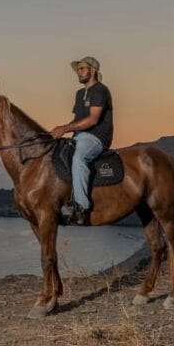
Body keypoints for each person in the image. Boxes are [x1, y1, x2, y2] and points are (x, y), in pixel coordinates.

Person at [50, 56, 114, 226]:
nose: (78, 72)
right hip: (78, 136)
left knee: (79, 159)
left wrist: (64, 129)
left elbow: (93, 119)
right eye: (78, 69)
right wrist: (60, 130)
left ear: (92, 71)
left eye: (82, 69)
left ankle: (81, 208)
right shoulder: (80, 94)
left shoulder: (100, 90)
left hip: (95, 137)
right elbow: (76, 120)